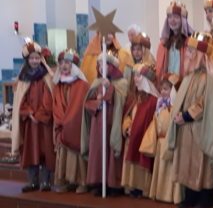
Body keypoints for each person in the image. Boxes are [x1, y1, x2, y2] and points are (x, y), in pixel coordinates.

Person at [167, 33, 213, 208]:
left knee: (201, 164)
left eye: (192, 52)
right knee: (186, 163)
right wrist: (177, 114)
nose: (188, 55)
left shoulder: (210, 78)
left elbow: (204, 104)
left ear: (200, 55)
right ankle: (190, 197)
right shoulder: (190, 76)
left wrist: (185, 116)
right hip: (185, 127)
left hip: (200, 127)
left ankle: (205, 198)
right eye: (188, 51)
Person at [81, 52, 129, 196]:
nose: (101, 67)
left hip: (112, 121)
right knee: (98, 151)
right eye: (99, 65)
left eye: (105, 64)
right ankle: (99, 182)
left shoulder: (122, 82)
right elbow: (87, 103)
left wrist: (110, 89)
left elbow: (122, 101)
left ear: (112, 66)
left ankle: (113, 184)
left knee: (111, 150)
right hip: (98, 122)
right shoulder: (96, 82)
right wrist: (97, 103)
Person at [11, 41, 55, 192]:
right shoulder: (23, 79)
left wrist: (40, 115)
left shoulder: (47, 77)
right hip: (30, 123)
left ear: (41, 59)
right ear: (27, 60)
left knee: (46, 151)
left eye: (37, 58)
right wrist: (29, 113)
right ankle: (32, 182)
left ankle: (46, 182)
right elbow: (19, 101)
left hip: (44, 123)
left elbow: (49, 99)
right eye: (32, 58)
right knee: (30, 151)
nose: (35, 61)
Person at [52, 49, 89, 193]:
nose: (63, 66)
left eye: (67, 62)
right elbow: (56, 104)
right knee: (64, 152)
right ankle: (67, 180)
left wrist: (69, 121)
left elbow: (79, 106)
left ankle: (82, 181)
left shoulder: (82, 85)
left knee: (77, 152)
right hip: (62, 124)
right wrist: (60, 119)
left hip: (75, 125)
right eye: (61, 63)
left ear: (73, 65)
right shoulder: (59, 84)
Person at [121, 65, 159, 198]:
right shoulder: (135, 97)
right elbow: (128, 116)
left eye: (138, 76)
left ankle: (143, 187)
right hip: (132, 136)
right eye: (134, 76)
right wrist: (127, 127)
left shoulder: (153, 101)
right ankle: (132, 185)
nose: (135, 79)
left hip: (144, 138)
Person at [146, 78, 183, 204]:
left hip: (170, 141)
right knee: (160, 168)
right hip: (160, 142)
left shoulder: (175, 108)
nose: (163, 92)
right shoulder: (159, 105)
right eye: (161, 89)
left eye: (166, 89)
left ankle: (171, 195)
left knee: (170, 169)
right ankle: (159, 192)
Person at [155, 1, 193, 91]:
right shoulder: (163, 43)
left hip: (183, 87)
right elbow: (159, 69)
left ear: (183, 20)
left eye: (176, 17)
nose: (172, 20)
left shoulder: (190, 43)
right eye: (170, 17)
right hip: (167, 87)